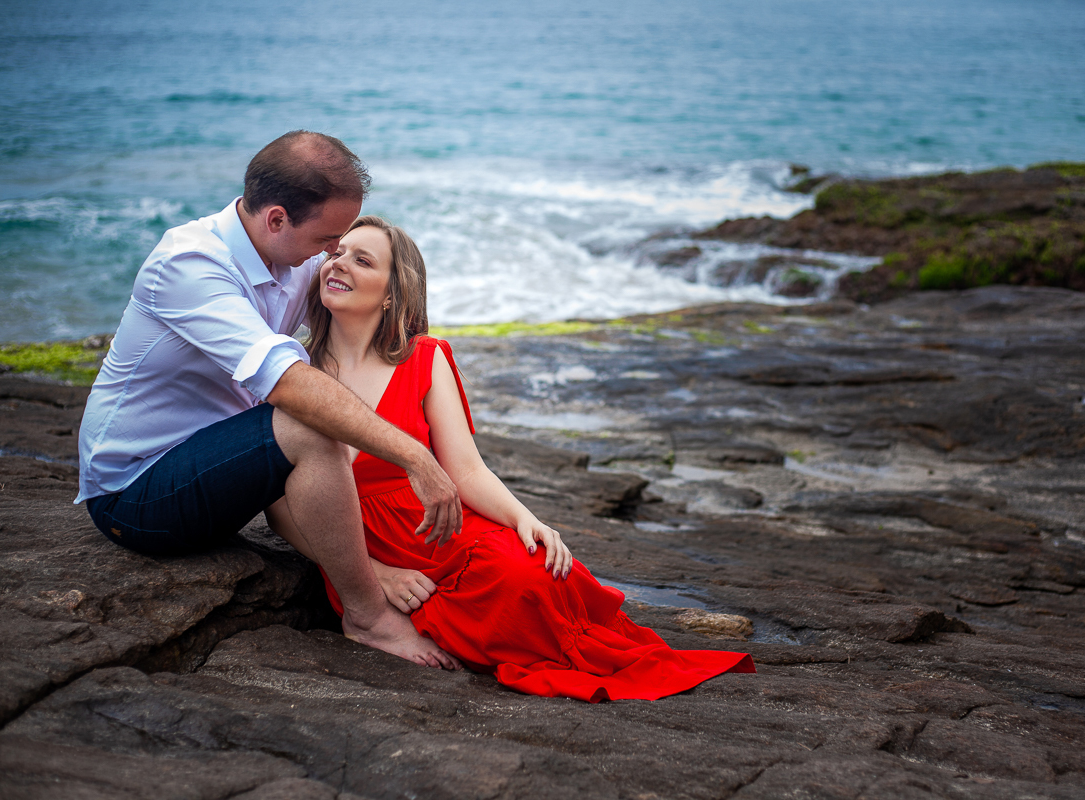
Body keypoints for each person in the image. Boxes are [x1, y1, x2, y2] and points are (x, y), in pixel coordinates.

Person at [269, 214, 756, 701]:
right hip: (363, 548)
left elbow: (466, 470)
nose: (339, 263)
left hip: (444, 533)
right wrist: (374, 573)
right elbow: (278, 505)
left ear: (392, 291)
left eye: (362, 259)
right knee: (495, 607)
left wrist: (528, 519)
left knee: (534, 573)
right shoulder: (290, 369)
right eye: (335, 253)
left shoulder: (424, 357)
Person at [76, 131, 461, 668]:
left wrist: (423, 360)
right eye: (328, 238)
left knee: (310, 419)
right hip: (134, 496)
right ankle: (368, 617)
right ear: (276, 219)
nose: (333, 252)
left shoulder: (293, 253)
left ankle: (368, 571)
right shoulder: (190, 264)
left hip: (214, 471)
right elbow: (291, 385)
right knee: (306, 422)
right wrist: (414, 455)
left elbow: (358, 321)